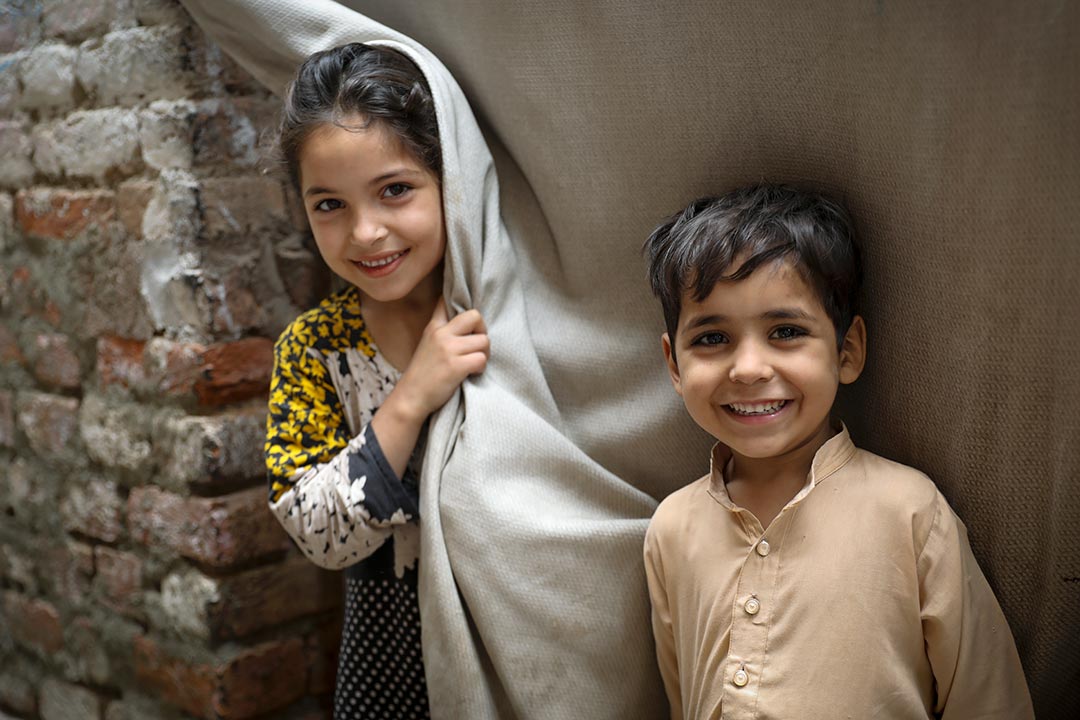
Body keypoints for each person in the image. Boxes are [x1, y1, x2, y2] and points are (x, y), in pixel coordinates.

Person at [641, 184, 1034, 720]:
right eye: (712, 338)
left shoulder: (910, 511)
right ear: (674, 365)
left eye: (784, 331)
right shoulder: (670, 527)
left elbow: (991, 701)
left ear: (846, 352)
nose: (749, 368)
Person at [264, 43, 489, 719]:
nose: (365, 232)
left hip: (514, 629)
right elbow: (316, 529)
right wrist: (411, 398)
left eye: (395, 190)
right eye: (329, 204)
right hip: (390, 652)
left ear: (452, 181)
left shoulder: (501, 313)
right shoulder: (314, 350)